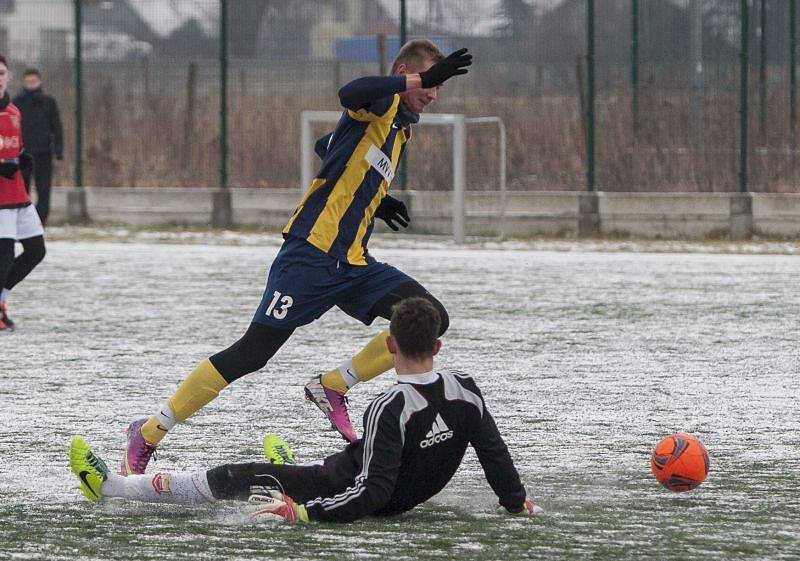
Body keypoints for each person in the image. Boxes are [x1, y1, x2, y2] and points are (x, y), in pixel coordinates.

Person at [119, 40, 473, 475]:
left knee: (429, 318)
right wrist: (417, 80)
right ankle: (149, 432)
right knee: (252, 353)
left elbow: (330, 144)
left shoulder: (401, 129)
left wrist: (376, 198)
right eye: (429, 83)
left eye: (438, 87)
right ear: (404, 70)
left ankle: (333, 386)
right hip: (309, 255)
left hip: (356, 263)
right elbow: (350, 93)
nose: (433, 94)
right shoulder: (379, 104)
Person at [71, 297, 542, 523]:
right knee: (335, 462)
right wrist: (515, 500)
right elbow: (494, 455)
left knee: (237, 476)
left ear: (390, 343)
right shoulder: (466, 389)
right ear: (438, 345)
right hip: (379, 479)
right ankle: (286, 468)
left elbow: (373, 492)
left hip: (343, 488)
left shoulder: (389, 405)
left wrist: (304, 513)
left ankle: (115, 486)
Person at [0, 55, 46, 332]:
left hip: (18, 195)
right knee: (4, 255)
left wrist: (23, 157)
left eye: (2, 72)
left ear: (8, 75)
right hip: (0, 201)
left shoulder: (15, 111)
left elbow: (14, 150)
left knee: (36, 250)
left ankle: (2, 298)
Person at [12, 68, 63, 225]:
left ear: (39, 81)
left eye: (33, 81)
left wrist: (59, 148)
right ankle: (24, 221)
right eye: (28, 82)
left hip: (44, 153)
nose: (31, 85)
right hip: (23, 154)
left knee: (44, 189)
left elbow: (57, 126)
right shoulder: (17, 103)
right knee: (22, 189)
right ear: (23, 83)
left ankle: (41, 221)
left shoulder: (48, 102)